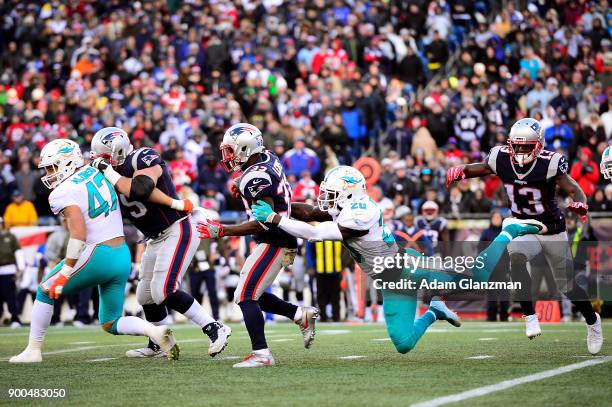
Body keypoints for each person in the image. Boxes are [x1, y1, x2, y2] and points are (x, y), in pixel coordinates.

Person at [250, 165, 546, 354]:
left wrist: (276, 218)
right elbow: (311, 213)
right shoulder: (345, 206)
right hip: (389, 281)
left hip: (408, 268)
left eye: (331, 193)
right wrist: (281, 204)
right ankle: (435, 310)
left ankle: (509, 230)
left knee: (479, 276)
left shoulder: (362, 211)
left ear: (349, 193)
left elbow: (316, 233)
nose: (325, 199)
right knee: (403, 344)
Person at [10, 139, 178, 363]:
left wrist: (66, 271)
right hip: (121, 255)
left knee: (44, 289)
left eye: (52, 167)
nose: (49, 173)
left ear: (67, 162)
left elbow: (78, 235)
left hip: (97, 253)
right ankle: (155, 332)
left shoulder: (62, 192)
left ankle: (33, 350)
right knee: (110, 321)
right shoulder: (98, 171)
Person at [446, 118, 603, 354]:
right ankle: (529, 315)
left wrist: (580, 202)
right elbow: (479, 167)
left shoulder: (550, 163)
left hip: (551, 227)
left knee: (567, 285)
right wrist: (461, 171)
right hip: (521, 223)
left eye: (526, 147)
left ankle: (593, 321)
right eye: (516, 146)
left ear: (538, 145)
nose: (519, 152)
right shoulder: (500, 157)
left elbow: (572, 187)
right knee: (516, 256)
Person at [90, 127, 231, 359]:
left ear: (119, 151)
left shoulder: (142, 157)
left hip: (177, 228)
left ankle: (215, 327)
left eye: (105, 158)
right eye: (99, 159)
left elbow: (141, 189)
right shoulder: (109, 173)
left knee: (164, 289)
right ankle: (158, 343)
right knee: (145, 296)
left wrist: (106, 170)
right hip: (153, 237)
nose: (102, 163)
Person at [196, 123, 318, 368]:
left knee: (245, 295)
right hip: (278, 237)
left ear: (244, 147)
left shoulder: (256, 177)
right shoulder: (266, 158)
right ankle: (298, 314)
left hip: (275, 239)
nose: (227, 157)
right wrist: (243, 186)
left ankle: (262, 354)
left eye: (231, 150)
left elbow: (263, 223)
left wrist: (223, 230)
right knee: (254, 294)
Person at [0, 216, 25, 328]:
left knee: (11, 295)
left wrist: (20, 268)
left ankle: (15, 318)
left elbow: (18, 252)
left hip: (8, 269)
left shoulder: (10, 237)